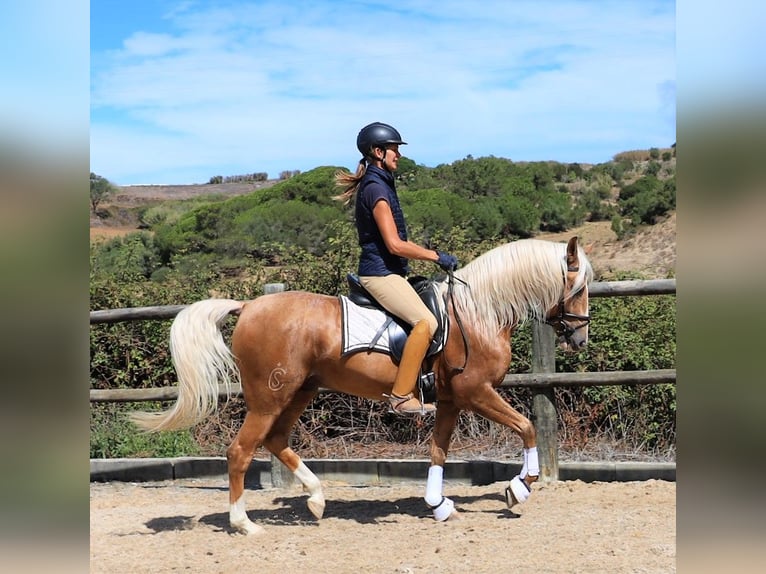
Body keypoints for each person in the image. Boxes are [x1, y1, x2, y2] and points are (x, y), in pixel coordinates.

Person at [334, 122, 458, 414]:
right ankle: (401, 395)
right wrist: (436, 256)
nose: (398, 155)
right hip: (380, 274)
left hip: (391, 272)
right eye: (394, 150)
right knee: (426, 323)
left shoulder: (381, 183)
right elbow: (395, 244)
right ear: (378, 152)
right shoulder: (376, 188)